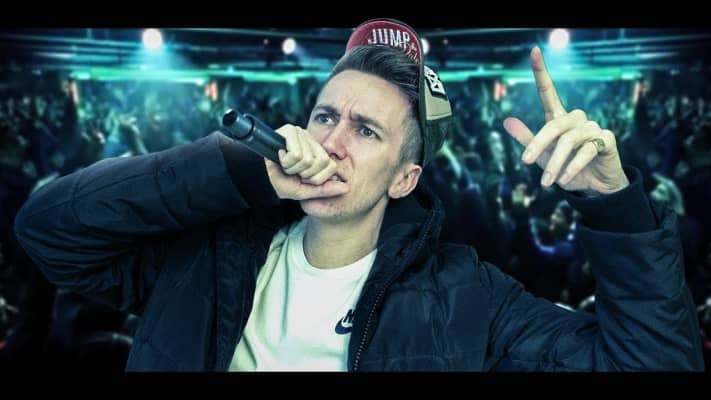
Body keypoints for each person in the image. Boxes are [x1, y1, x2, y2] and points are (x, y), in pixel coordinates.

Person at [14, 19, 703, 371]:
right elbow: (48, 230)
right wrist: (236, 170)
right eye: (325, 116)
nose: (333, 141)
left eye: (366, 130)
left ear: (404, 179)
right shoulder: (202, 257)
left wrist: (615, 206)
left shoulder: (466, 298)